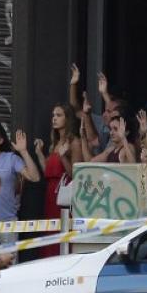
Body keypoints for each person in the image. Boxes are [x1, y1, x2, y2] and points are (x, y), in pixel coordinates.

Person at [34, 104, 82, 257]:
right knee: (50, 233)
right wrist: (39, 153)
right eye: (53, 115)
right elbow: (47, 171)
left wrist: (63, 157)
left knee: (61, 233)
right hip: (50, 193)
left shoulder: (74, 142)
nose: (54, 118)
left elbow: (75, 174)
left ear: (68, 119)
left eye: (59, 115)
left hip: (64, 196)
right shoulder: (55, 143)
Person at [0, 121, 40, 244]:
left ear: (1, 140)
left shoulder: (11, 159)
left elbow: (35, 178)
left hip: (8, 223)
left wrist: (23, 151)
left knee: (10, 258)